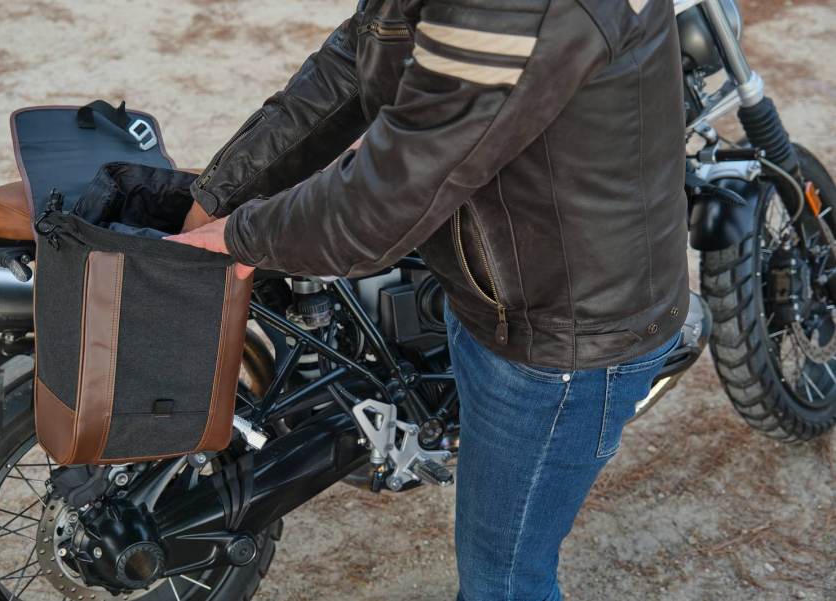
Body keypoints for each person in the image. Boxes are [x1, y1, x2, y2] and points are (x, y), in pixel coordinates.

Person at [167, 1, 688, 599]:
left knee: (505, 581)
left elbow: (387, 196)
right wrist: (218, 196)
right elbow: (358, 57)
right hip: (501, 289)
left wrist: (240, 236)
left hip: (560, 341)